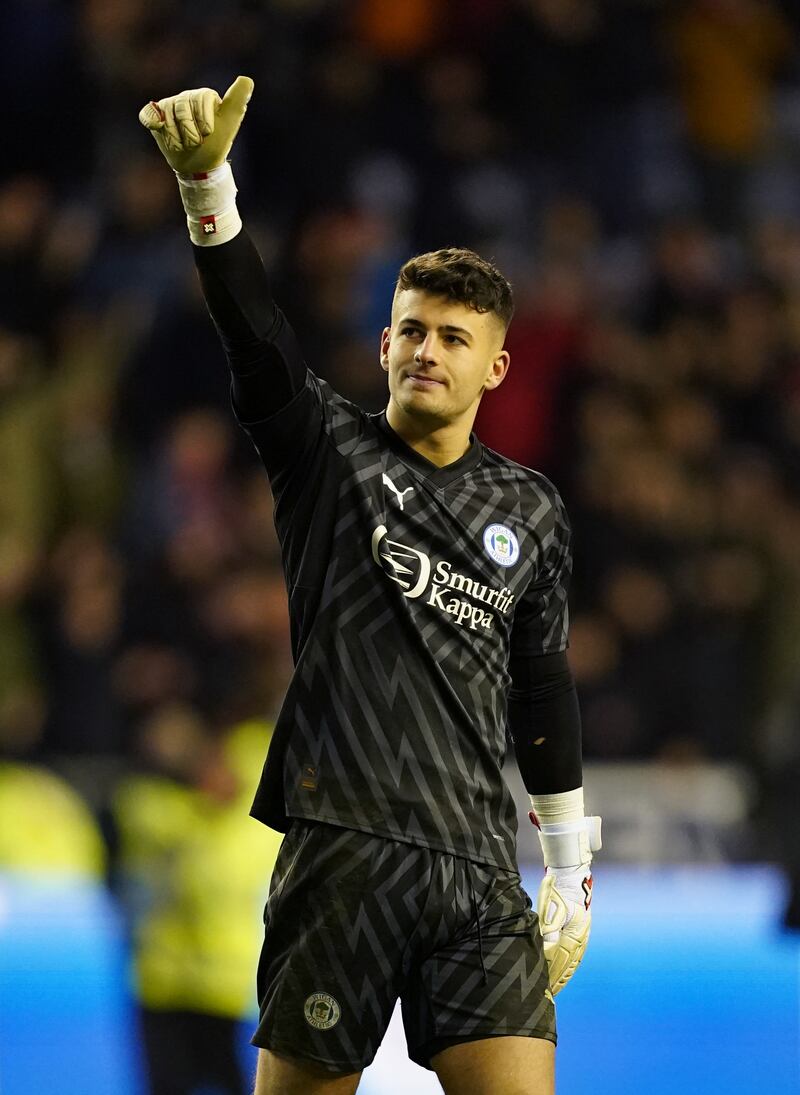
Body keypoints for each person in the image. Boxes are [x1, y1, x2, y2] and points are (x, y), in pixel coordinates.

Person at [139, 77, 601, 1095]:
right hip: (341, 853)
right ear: (384, 341)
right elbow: (254, 335)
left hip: (478, 869)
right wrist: (206, 188)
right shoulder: (327, 454)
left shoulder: (529, 511)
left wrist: (566, 863)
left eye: (454, 338)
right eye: (413, 330)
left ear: (496, 368)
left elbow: (540, 686)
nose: (427, 351)